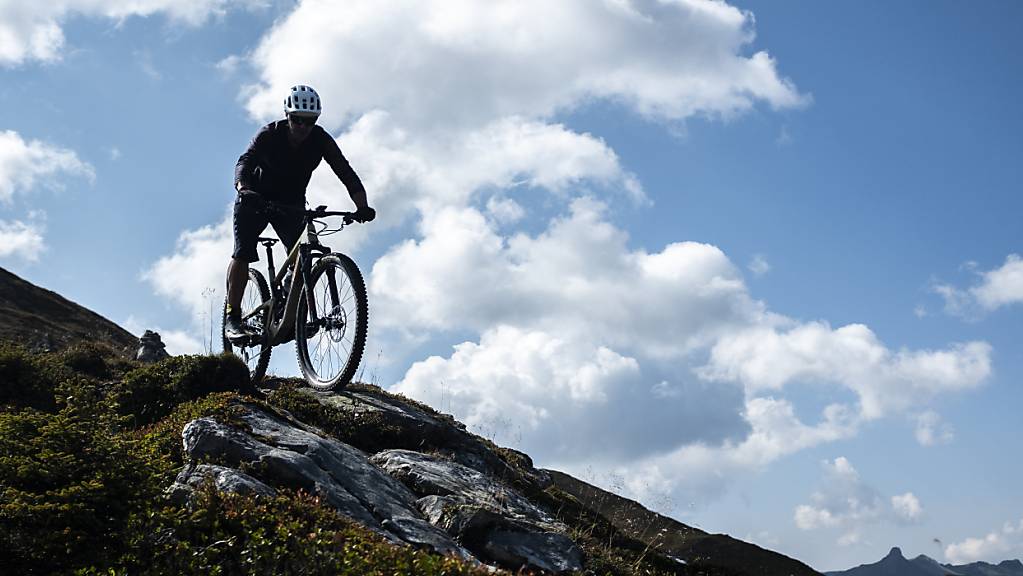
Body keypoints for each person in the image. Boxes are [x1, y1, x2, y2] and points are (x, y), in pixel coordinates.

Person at [224, 85, 375, 341]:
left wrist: (362, 206)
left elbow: (345, 172)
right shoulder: (269, 134)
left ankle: (288, 305)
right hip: (255, 198)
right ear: (287, 115)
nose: (303, 127)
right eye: (297, 120)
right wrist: (244, 188)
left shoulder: (320, 140)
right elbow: (245, 161)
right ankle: (233, 315)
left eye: (309, 121)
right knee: (243, 252)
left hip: (291, 202)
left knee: (301, 256)